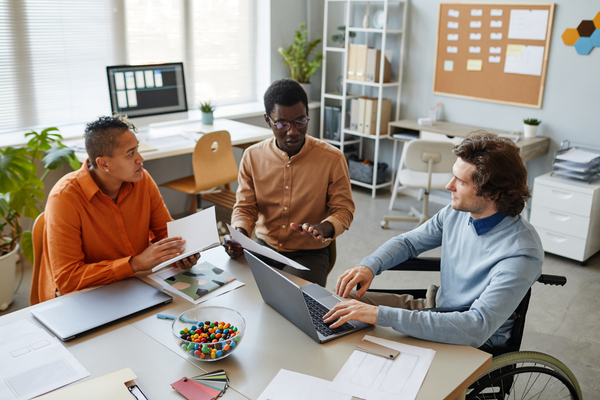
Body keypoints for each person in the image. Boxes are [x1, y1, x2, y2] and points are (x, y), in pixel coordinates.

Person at [324, 132, 544, 348]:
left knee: (364, 328)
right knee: (341, 303)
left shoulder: (521, 252)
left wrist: (381, 315)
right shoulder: (456, 212)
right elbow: (409, 242)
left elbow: (476, 326)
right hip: (434, 308)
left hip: (467, 339)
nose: (448, 186)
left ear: (494, 193)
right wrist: (370, 266)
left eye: (460, 181)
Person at [37, 116, 200, 303]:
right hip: (84, 297)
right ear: (103, 164)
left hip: (134, 285)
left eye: (137, 149)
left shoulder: (142, 180)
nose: (140, 159)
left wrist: (180, 253)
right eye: (131, 154)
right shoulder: (65, 197)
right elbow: (68, 279)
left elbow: (165, 232)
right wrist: (135, 263)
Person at [223, 79, 355, 286]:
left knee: (295, 304)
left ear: (308, 116)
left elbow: (343, 210)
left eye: (300, 121)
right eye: (282, 124)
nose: (293, 131)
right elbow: (245, 207)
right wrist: (240, 237)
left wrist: (324, 228)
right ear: (268, 120)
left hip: (309, 254)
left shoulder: (332, 158)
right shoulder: (252, 156)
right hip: (264, 248)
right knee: (234, 290)